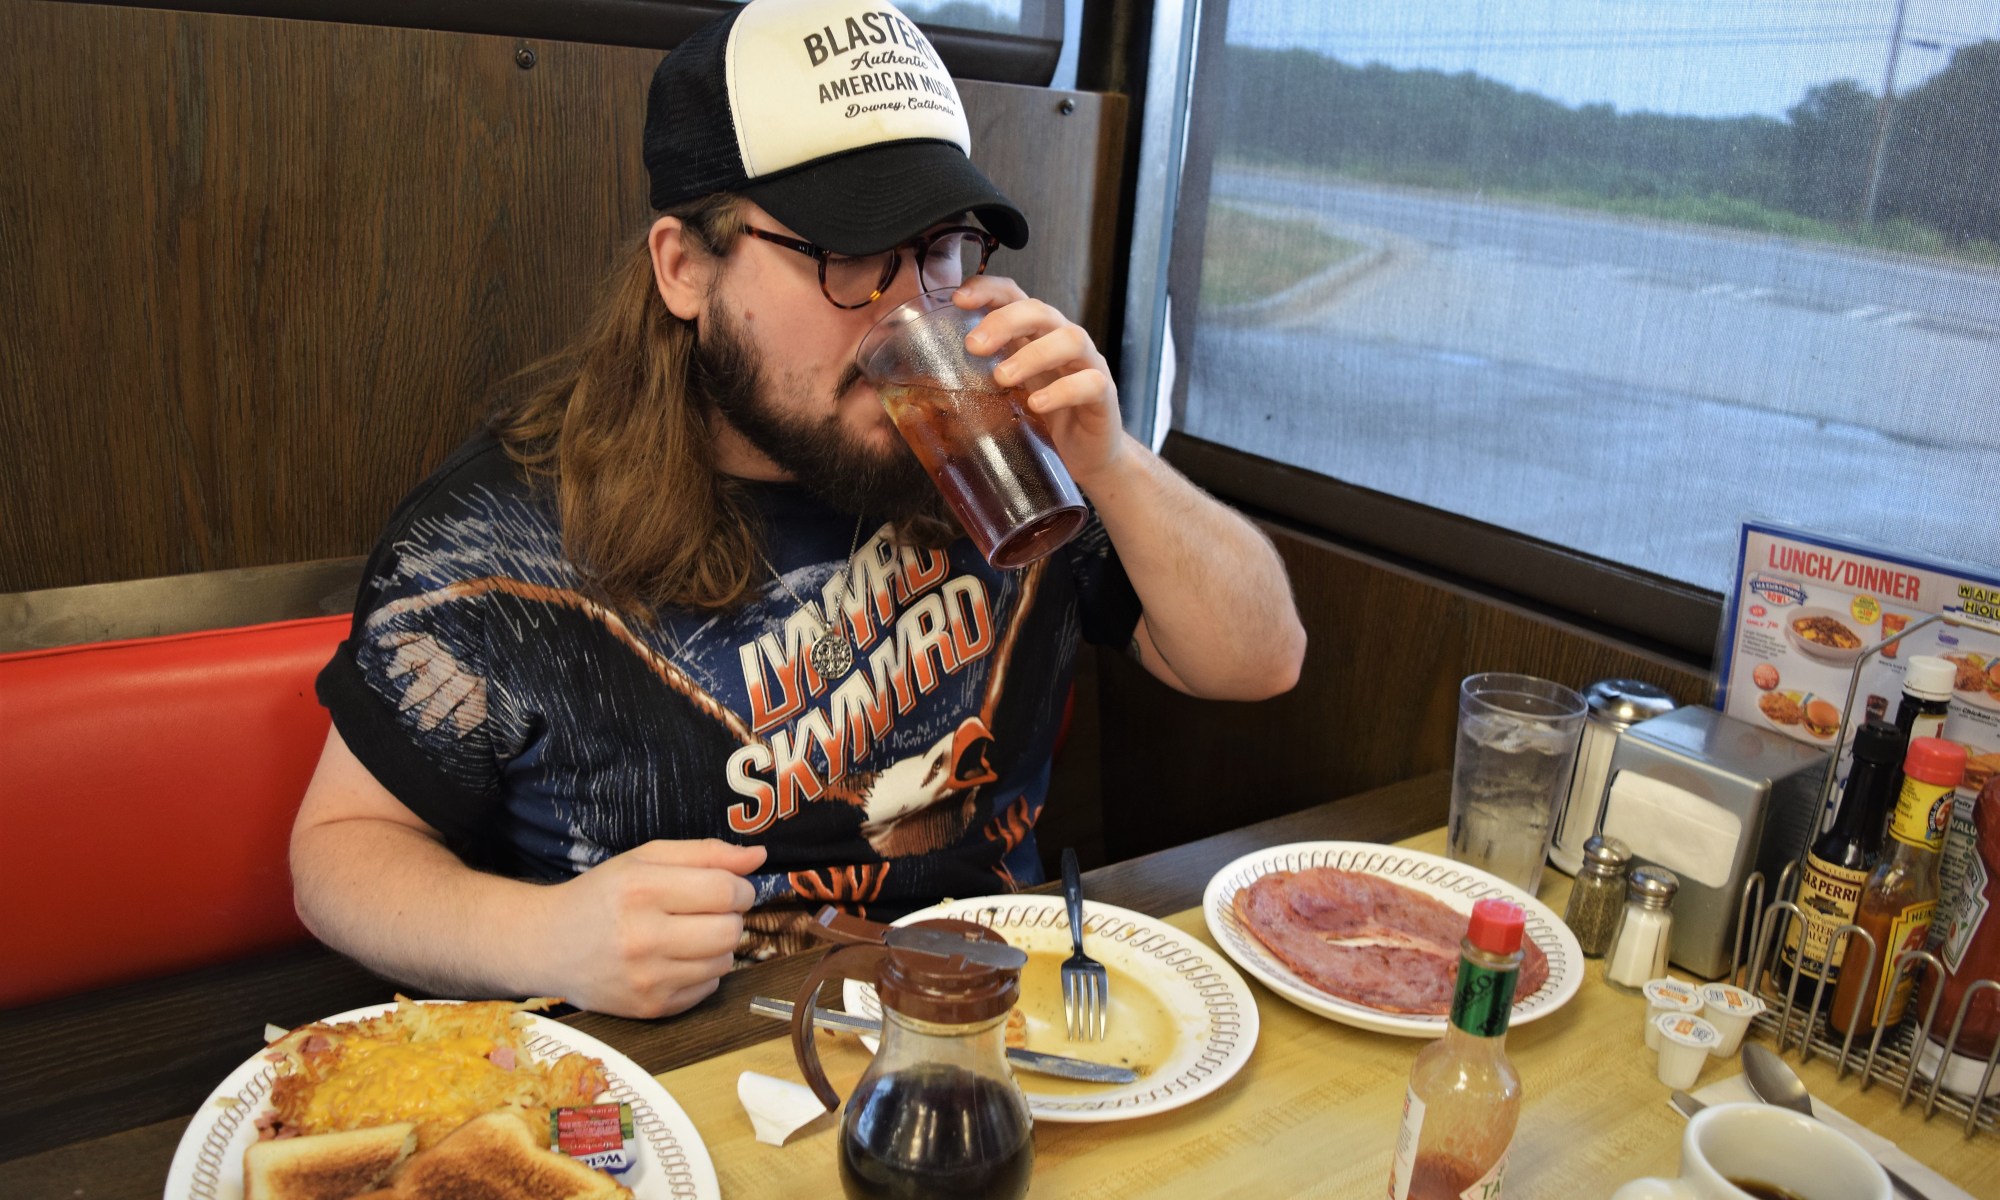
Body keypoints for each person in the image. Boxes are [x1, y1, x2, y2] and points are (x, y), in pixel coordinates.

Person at [290, 0, 1305, 1019]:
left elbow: (1258, 660)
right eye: (847, 255)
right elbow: (338, 855)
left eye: (939, 250)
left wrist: (1111, 461)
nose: (908, 311)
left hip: (995, 1025)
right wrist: (544, 938)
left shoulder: (1005, 464)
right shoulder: (500, 532)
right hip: (675, 1061)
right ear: (686, 269)